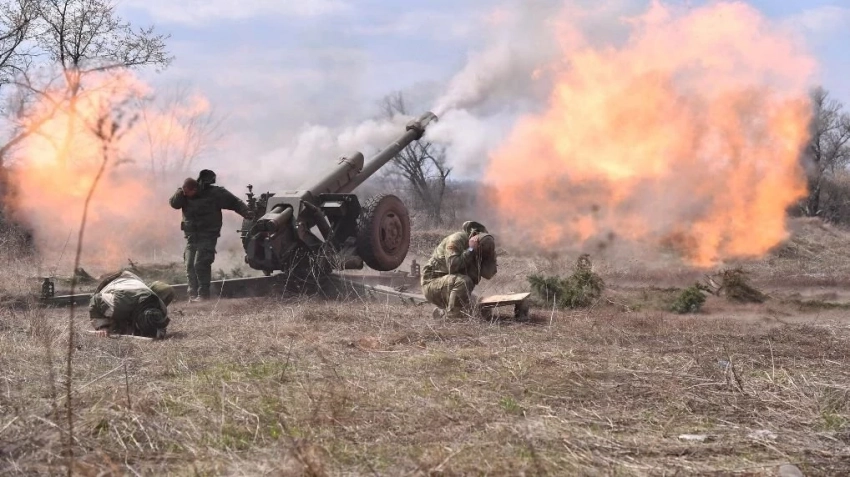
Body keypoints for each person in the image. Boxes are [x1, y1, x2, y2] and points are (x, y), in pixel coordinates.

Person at [169, 170, 254, 300]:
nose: (187, 195)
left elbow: (234, 202)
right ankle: (192, 293)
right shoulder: (183, 194)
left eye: (189, 192)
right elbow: (174, 204)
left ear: (195, 189)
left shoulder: (215, 193)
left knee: (201, 263)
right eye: (185, 192)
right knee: (189, 264)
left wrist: (247, 213)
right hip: (191, 236)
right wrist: (180, 192)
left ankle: (203, 294)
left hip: (208, 234)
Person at [421, 221, 497, 319]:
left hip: (451, 286)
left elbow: (488, 274)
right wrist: (471, 250)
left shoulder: (479, 250)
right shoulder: (456, 239)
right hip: (432, 284)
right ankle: (453, 318)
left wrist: (490, 256)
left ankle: (442, 313)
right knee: (464, 282)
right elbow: (453, 266)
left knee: (483, 309)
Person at [89, 270, 175, 339]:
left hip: (137, 283)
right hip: (115, 283)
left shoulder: (161, 309)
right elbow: (96, 300)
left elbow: (165, 288)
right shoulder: (119, 307)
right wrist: (103, 326)